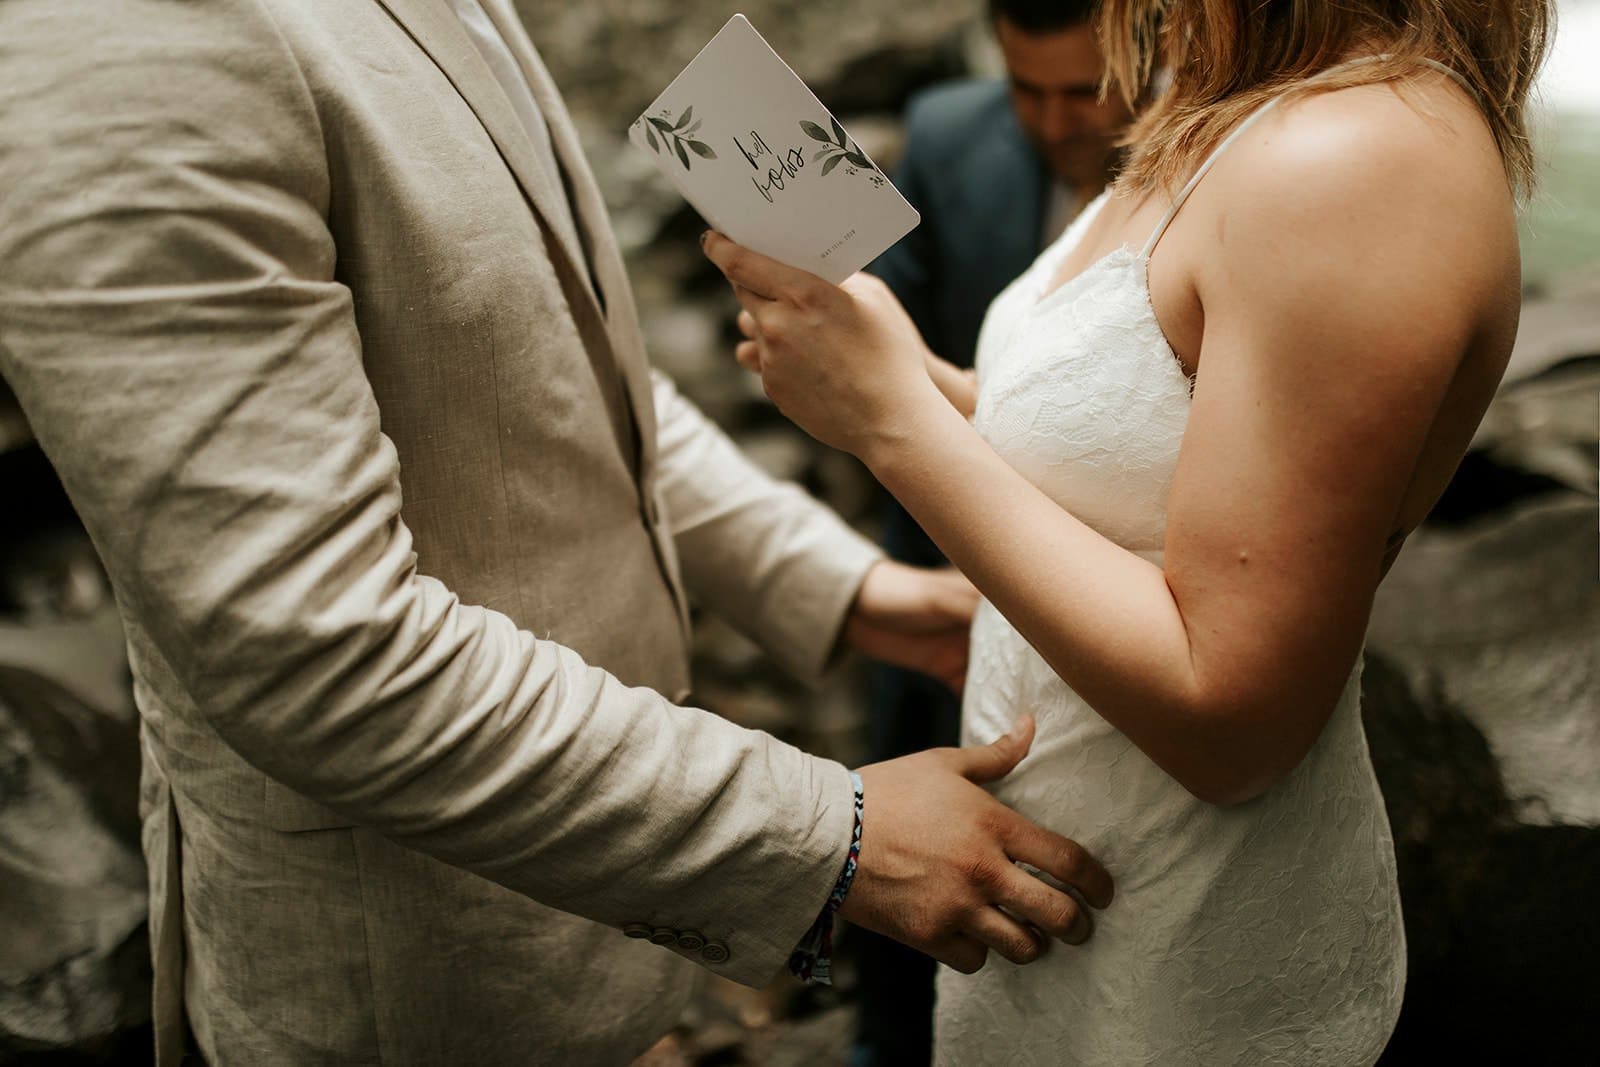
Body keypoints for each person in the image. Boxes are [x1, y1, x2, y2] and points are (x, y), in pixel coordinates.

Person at [0, 1, 1116, 1063]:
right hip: (425, 974)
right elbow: (314, 648)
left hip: (606, 913)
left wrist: (849, 590)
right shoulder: (126, 51)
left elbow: (551, 380)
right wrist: (831, 836)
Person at [705, 0, 1552, 1060]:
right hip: (1049, 915)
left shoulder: (1360, 156)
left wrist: (889, 421)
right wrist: (910, 380)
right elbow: (1135, 460)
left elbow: (1234, 721)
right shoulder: (1223, 101)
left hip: (1181, 953)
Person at [857, 3, 1132, 1059]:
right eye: (1027, 89)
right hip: (942, 564)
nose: (1053, 121)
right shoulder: (944, 134)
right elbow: (886, 314)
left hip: (1114, 579)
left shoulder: (1208, 170)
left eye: (1081, 91)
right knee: (894, 801)